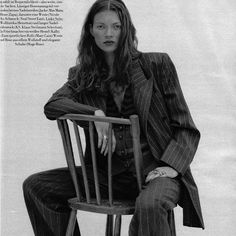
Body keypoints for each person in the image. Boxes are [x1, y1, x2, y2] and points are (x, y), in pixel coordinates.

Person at [23, 0, 204, 235]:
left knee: (150, 204)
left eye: (116, 26)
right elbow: (53, 106)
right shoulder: (83, 75)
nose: (108, 33)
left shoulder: (157, 64)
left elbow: (185, 127)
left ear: (125, 28)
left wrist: (171, 166)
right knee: (36, 187)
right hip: (109, 179)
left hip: (156, 173)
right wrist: (94, 114)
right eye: (101, 27)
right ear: (90, 30)